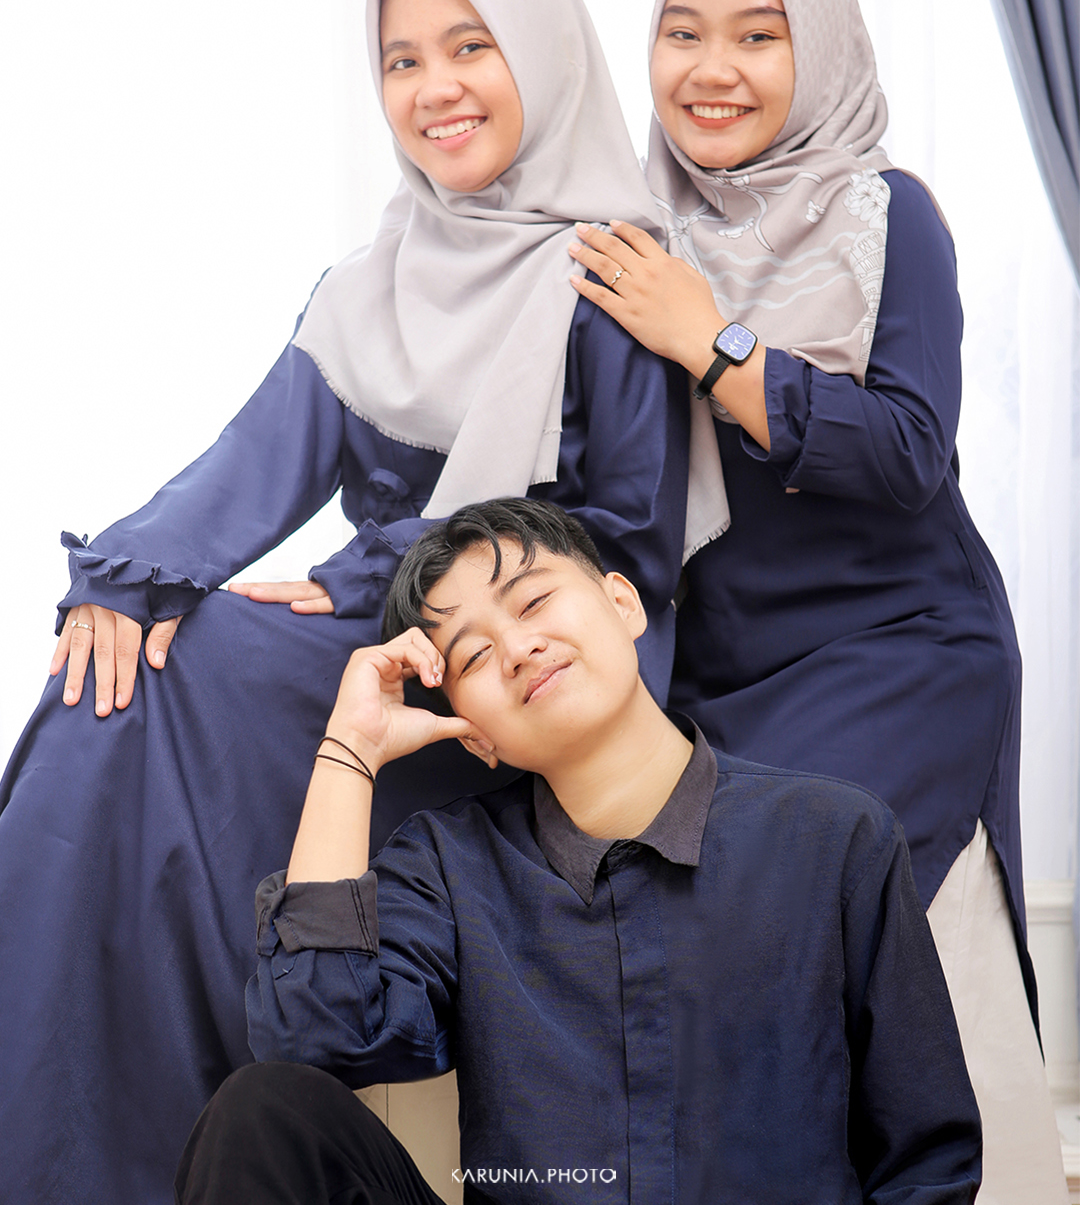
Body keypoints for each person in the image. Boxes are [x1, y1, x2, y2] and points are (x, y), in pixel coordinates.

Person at [0, 0, 696, 1205]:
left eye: (471, 47)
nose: (435, 87)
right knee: (112, 683)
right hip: (363, 634)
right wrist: (120, 576)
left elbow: (630, 542)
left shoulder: (611, 273)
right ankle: (59, 1151)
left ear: (542, 57)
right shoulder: (368, 283)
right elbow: (247, 464)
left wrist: (383, 568)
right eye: (401, 60)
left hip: (508, 661)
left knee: (204, 667)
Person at [566, 0, 1065, 1203]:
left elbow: (909, 451)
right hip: (719, 672)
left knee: (771, 886)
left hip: (898, 646)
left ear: (823, 50)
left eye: (758, 34)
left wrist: (718, 344)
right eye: (683, 34)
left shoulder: (891, 215)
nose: (711, 67)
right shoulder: (625, 242)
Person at [174, 496, 982, 1205]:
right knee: (264, 1113)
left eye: (532, 603)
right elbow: (314, 1036)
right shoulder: (453, 867)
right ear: (469, 724)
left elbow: (926, 1162)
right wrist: (350, 747)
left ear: (623, 603)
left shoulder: (834, 838)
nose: (518, 648)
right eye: (474, 657)